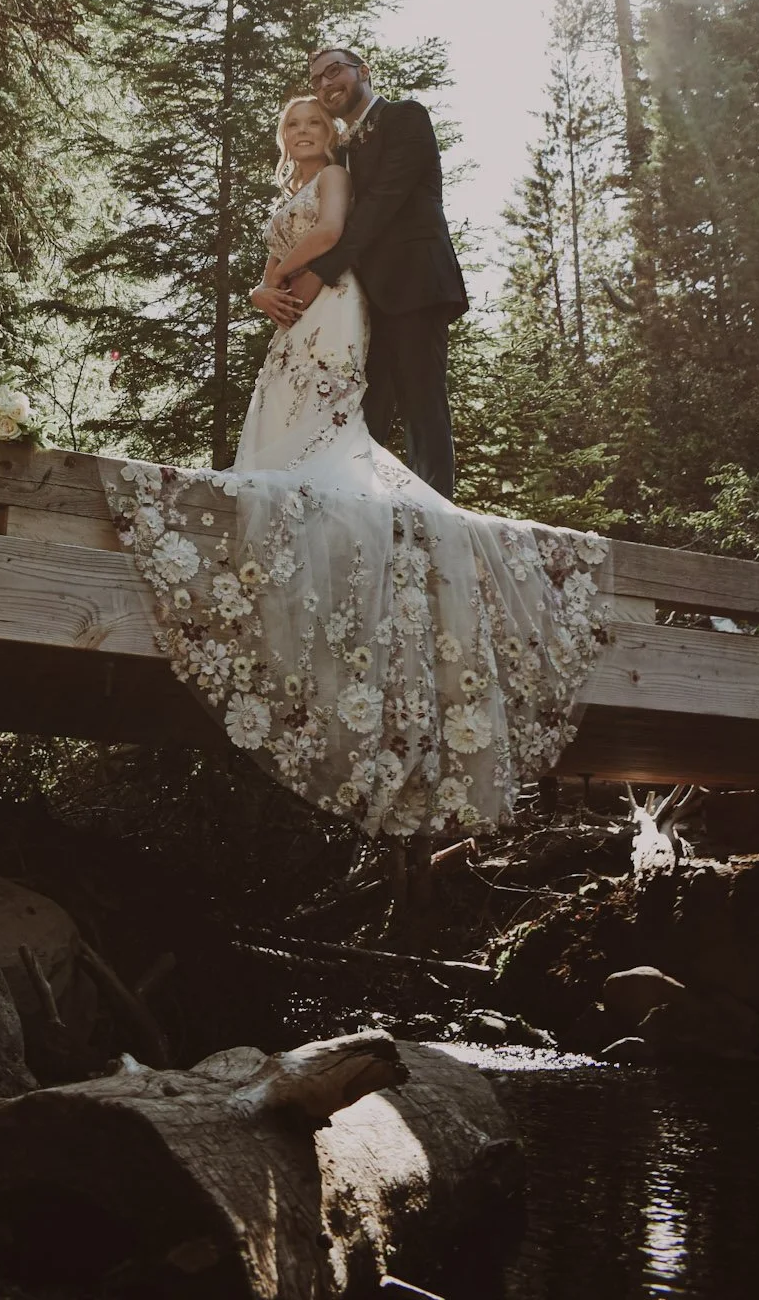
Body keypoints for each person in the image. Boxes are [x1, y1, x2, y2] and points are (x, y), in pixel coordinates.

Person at [102, 84, 609, 842]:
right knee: (279, 407)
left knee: (329, 411)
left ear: (330, 132)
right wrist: (261, 285)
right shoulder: (293, 184)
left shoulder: (337, 177)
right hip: (297, 304)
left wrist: (273, 278)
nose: (304, 131)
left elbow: (336, 232)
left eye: (314, 122)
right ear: (282, 137)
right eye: (292, 124)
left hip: (330, 299)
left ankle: (358, 506)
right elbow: (285, 248)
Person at [263, 47, 467, 499]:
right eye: (316, 79)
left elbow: (380, 207)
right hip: (364, 299)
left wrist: (320, 271)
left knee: (422, 405)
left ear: (364, 72)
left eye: (334, 71)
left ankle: (435, 515)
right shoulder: (344, 152)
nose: (325, 83)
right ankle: (361, 510)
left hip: (415, 284)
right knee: (361, 413)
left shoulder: (405, 118)